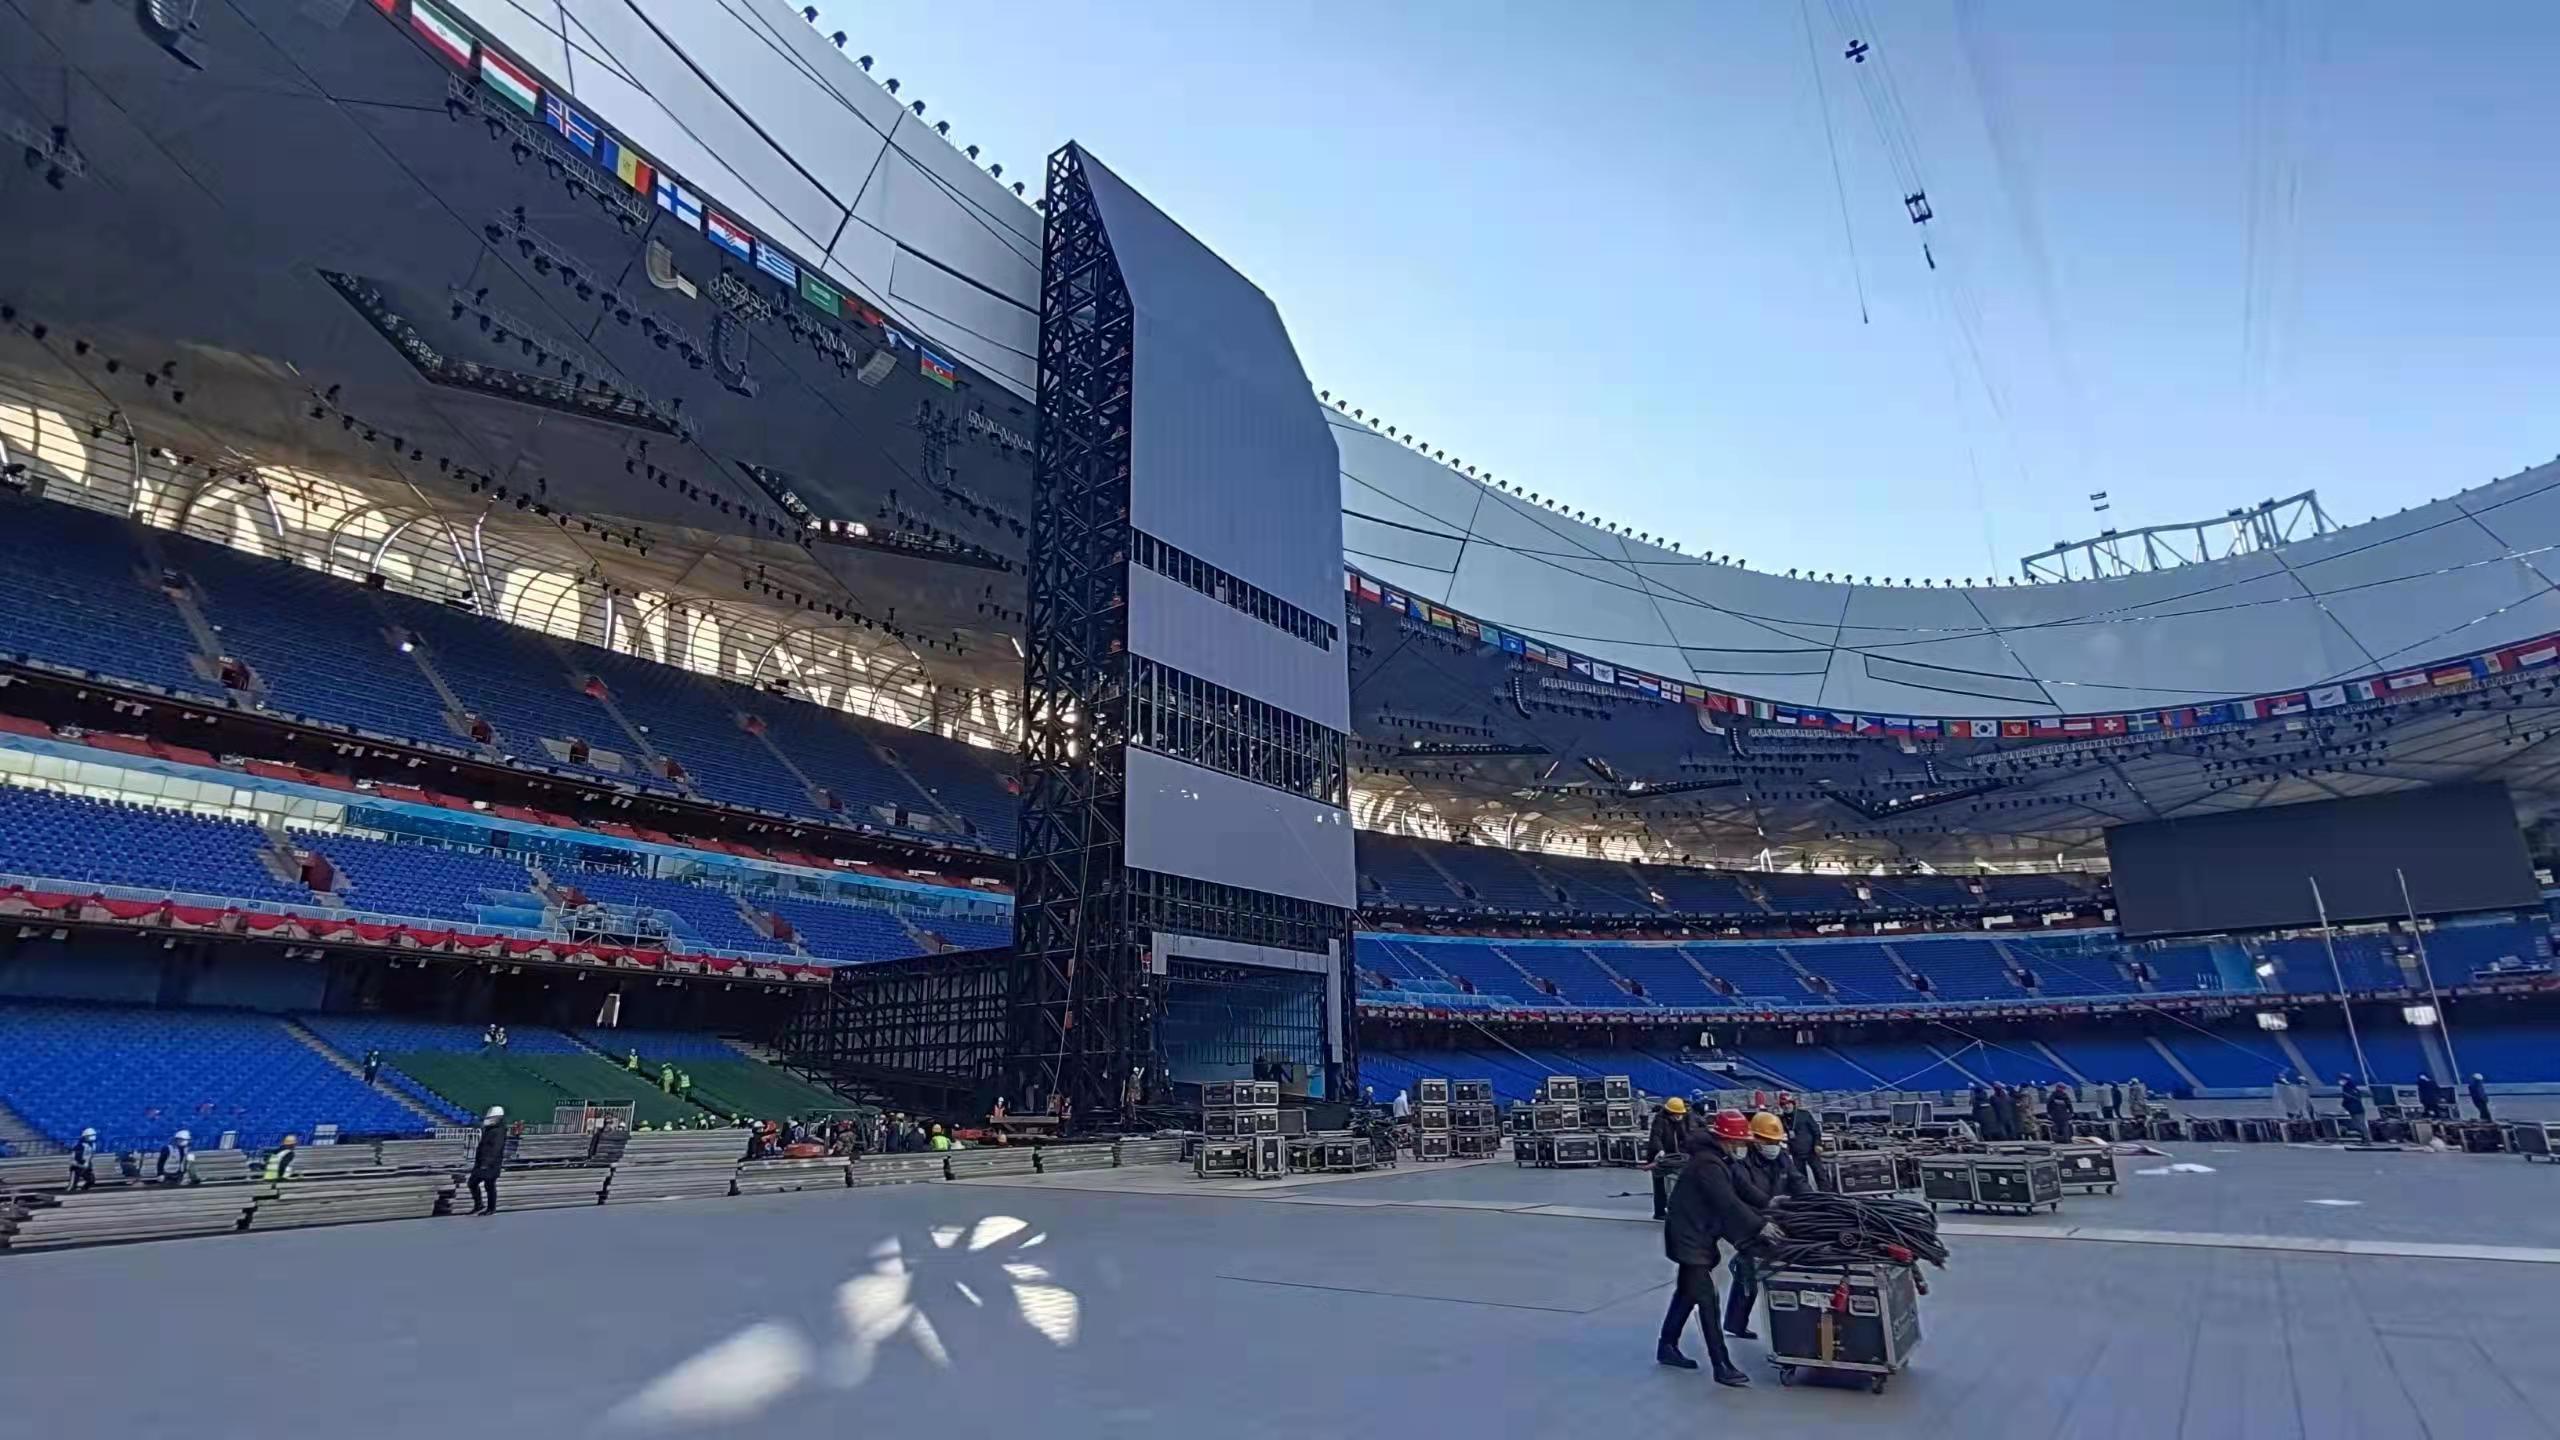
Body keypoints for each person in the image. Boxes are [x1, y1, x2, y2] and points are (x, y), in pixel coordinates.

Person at [1658, 1110, 1775, 1386]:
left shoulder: (1722, 1159)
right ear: (1726, 1140)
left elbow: (1742, 1188)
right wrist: (1761, 1226)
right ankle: (1721, 1365)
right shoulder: (1707, 1165)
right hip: (1688, 1237)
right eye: (1740, 1142)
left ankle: (1667, 1346)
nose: (1743, 1147)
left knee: (1686, 1293)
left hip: (1699, 1233)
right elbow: (1728, 1203)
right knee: (1707, 1300)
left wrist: (1771, 1203)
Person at [1723, 1112, 1810, 1340]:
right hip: (1750, 1222)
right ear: (1755, 1139)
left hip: (1779, 1218)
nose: (1773, 1146)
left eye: (1775, 1141)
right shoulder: (1742, 1163)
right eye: (1768, 1141)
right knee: (1749, 1268)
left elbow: (1798, 1182)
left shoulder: (1782, 1158)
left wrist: (1813, 1203)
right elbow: (1743, 1193)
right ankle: (1736, 1322)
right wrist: (1762, 1219)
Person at [1646, 1097, 1696, 1220]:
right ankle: (1659, 1212)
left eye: (1680, 1114)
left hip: (1675, 1156)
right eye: (1677, 1114)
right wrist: (1660, 1150)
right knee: (1659, 1185)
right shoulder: (1660, 1120)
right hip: (1660, 1156)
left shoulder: (1680, 1120)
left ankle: (1677, 1208)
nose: (1679, 1116)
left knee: (1677, 1183)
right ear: (1670, 1112)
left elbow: (1684, 1136)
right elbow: (1656, 1136)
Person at [468, 1106, 507, 1215]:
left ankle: (491, 1208)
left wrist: (486, 1163)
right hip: (482, 1162)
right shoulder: (490, 1129)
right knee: (472, 1183)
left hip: (491, 1164)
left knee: (489, 1185)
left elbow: (495, 1148)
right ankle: (479, 1205)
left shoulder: (499, 1131)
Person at [1777, 1093, 1821, 1184]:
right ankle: (1806, 1192)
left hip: (1811, 1151)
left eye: (1788, 1103)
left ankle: (1826, 1192)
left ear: (1793, 1104)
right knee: (1801, 1178)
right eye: (1784, 1104)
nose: (1786, 1106)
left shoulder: (1804, 1114)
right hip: (1796, 1153)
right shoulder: (1781, 1119)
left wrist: (1817, 1144)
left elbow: (1816, 1130)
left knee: (1820, 1174)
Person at [68, 1126, 99, 1193]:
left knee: (91, 1180)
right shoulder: (79, 1145)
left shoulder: (93, 1145)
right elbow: (73, 1158)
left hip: (86, 1166)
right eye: (90, 1136)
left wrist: (87, 1163)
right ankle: (70, 1193)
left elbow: (90, 1155)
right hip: (77, 1167)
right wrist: (79, 1164)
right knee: (72, 1186)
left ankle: (83, 1191)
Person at [2339, 1075, 2367, 1139]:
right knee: (2360, 1124)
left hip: (2356, 1110)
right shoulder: (2351, 1088)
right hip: (2356, 1109)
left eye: (2342, 1079)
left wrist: (2344, 1104)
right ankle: (2365, 1137)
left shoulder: (2348, 1089)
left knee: (2359, 1124)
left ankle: (2366, 1137)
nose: (2340, 1081)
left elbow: (2348, 1099)